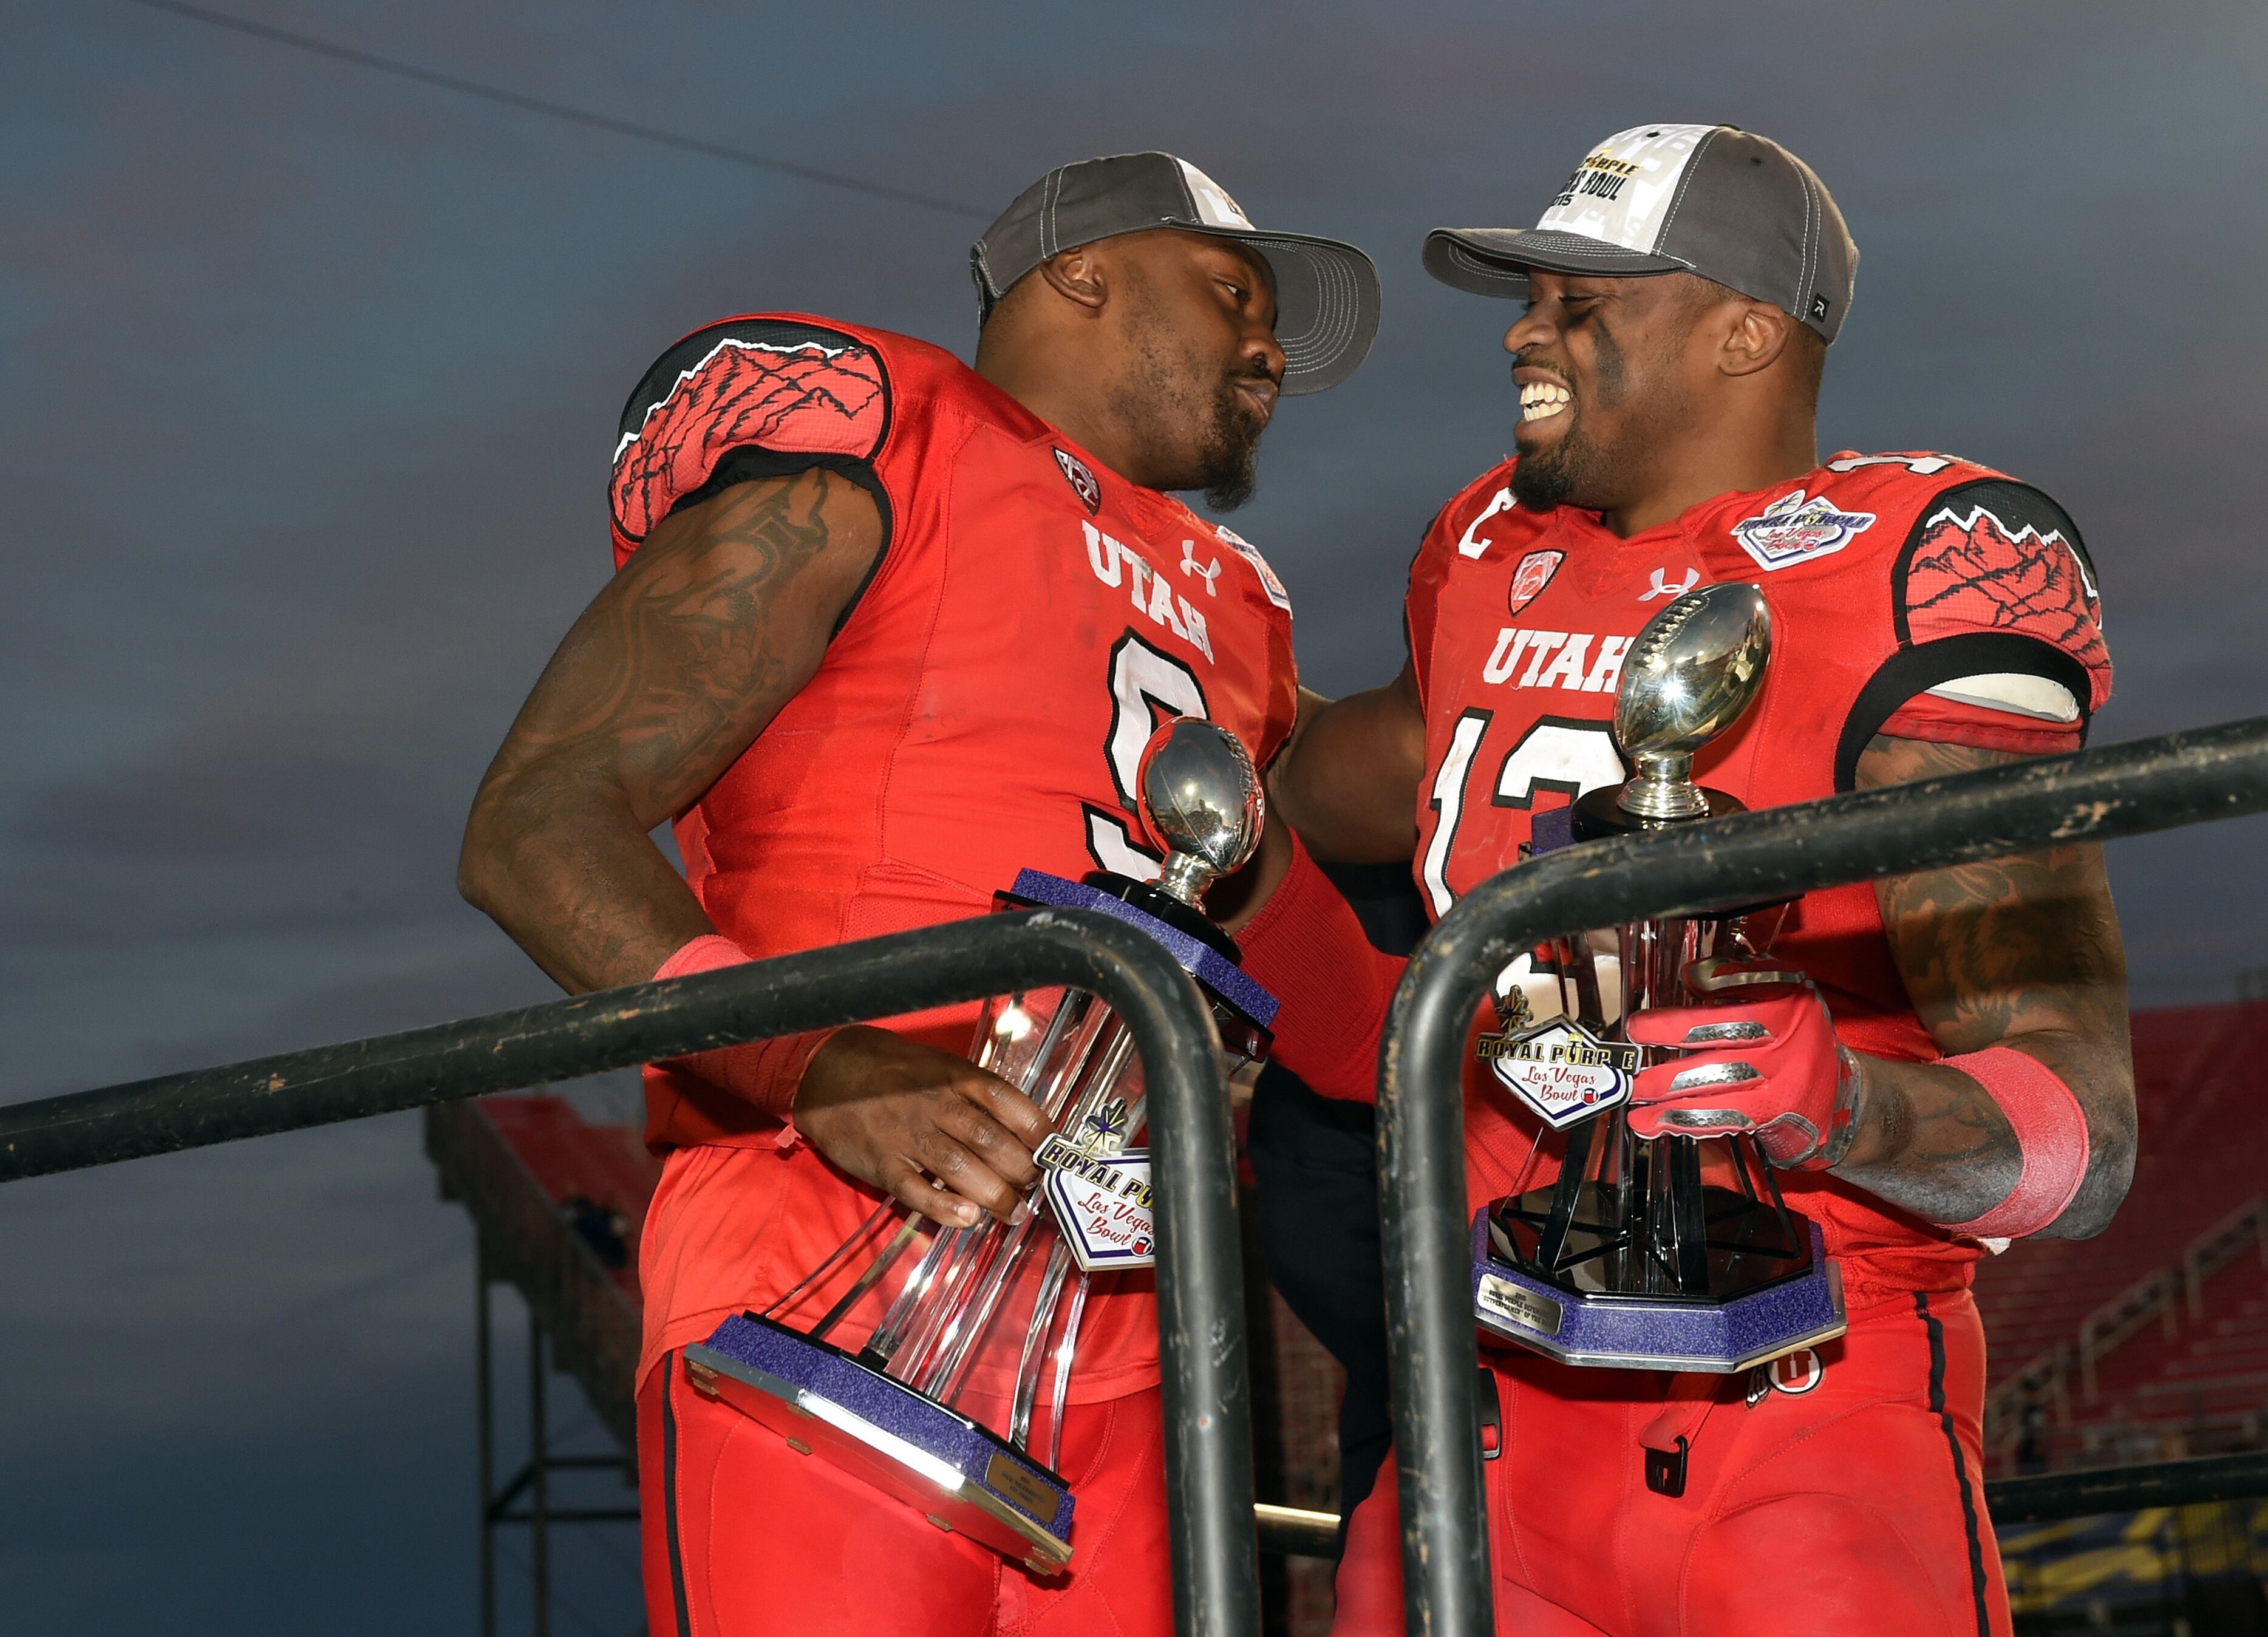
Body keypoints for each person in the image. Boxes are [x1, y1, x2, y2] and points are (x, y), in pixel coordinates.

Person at [457, 151, 1378, 1637]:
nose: (1267, 348)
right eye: (1231, 294)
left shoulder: (1233, 603)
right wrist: (810, 1056)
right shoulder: (894, 438)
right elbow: (532, 825)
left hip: (1133, 1319)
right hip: (824, 1259)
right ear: (1084, 272)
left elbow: (1344, 1013)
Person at [1236, 123, 2136, 1635]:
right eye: (1534, 296)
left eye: (1584, 303)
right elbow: (1341, 782)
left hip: (1795, 1410)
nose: (1527, 329)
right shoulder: (1491, 547)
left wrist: (1847, 1102)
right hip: (1480, 1410)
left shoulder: (1908, 567)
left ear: (1745, 330)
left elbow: (2085, 1143)